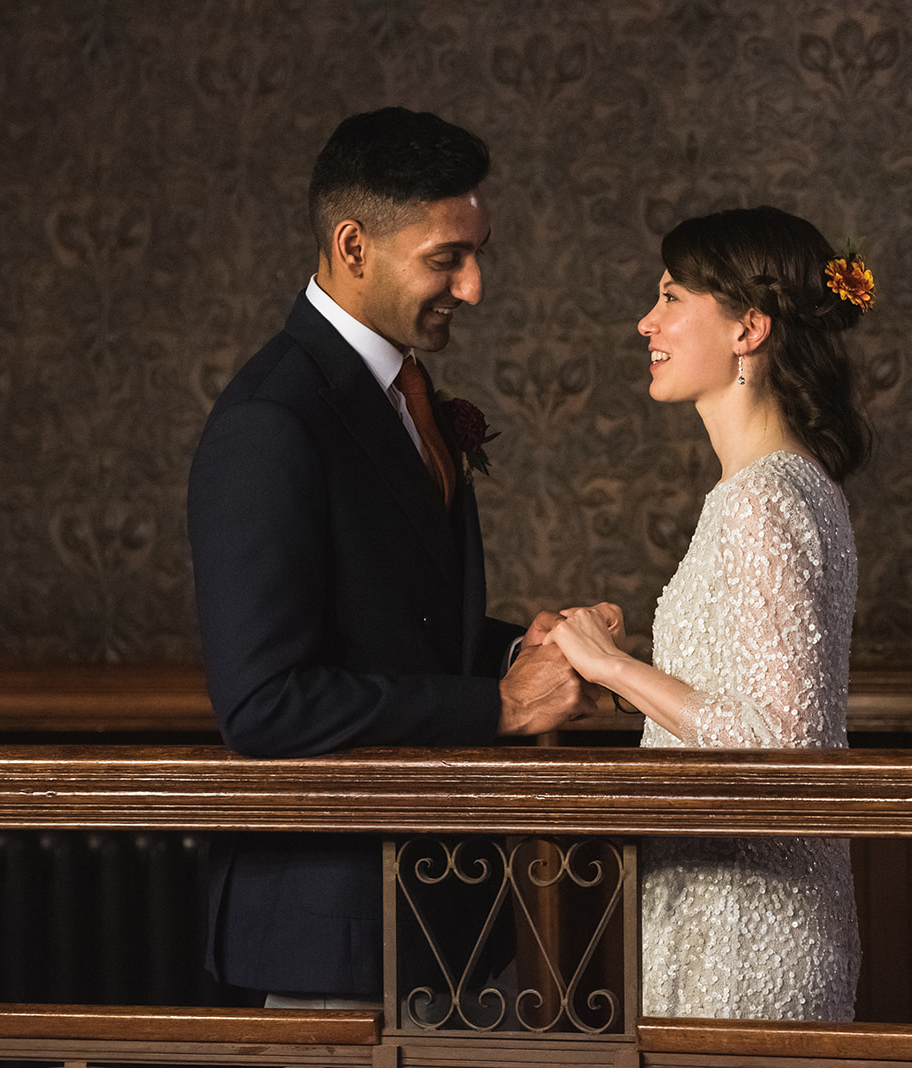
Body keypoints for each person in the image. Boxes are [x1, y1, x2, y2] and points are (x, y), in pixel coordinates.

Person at [186, 107, 598, 1008]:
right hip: (334, 926)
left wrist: (524, 650)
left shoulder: (406, 387)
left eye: (479, 254)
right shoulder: (270, 420)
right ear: (353, 246)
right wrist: (498, 705)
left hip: (444, 906)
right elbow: (263, 704)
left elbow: (398, 623)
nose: (474, 287)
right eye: (447, 258)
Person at [549, 206, 871, 1020]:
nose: (646, 322)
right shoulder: (789, 486)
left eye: (670, 297)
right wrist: (631, 680)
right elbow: (742, 696)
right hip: (730, 901)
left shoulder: (763, 500)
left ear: (748, 329)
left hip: (746, 923)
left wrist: (613, 666)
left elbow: (783, 743)